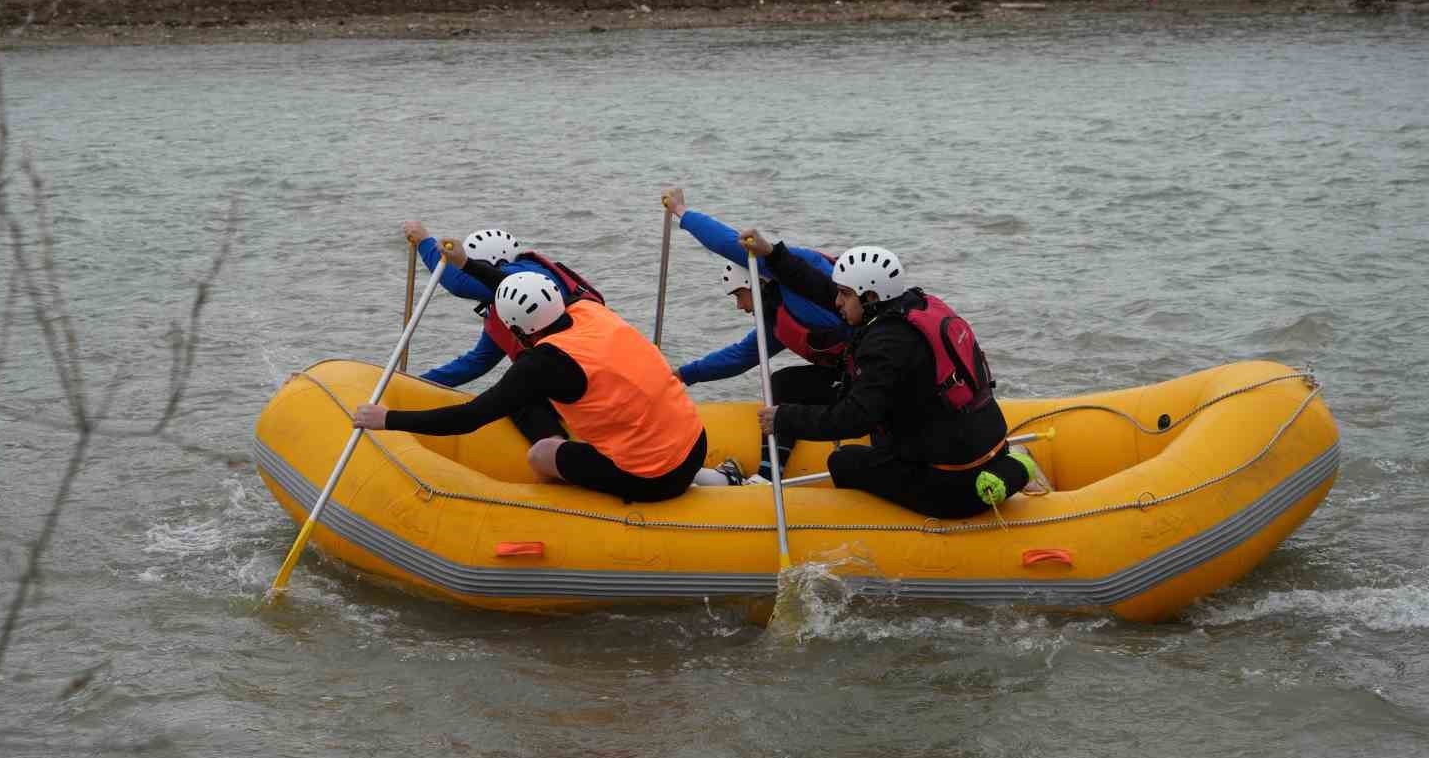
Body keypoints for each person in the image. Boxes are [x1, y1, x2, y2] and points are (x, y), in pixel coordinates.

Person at [737, 229, 1038, 519]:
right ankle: (1016, 463)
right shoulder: (914, 305)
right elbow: (821, 289)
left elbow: (854, 418)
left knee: (843, 461)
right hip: (985, 449)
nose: (837, 302)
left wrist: (784, 418)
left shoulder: (887, 345)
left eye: (844, 294)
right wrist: (772, 254)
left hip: (952, 486)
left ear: (868, 297)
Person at [353, 261, 707, 503]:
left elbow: (469, 417)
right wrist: (466, 263)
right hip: (695, 443)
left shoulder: (541, 364)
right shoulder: (588, 309)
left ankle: (559, 510)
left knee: (541, 453)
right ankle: (715, 479)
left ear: (518, 330)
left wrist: (386, 419)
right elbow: (512, 288)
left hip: (654, 477)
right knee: (550, 404)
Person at [660, 187, 852, 481]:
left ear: (756, 280)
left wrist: (681, 212)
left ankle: (768, 473)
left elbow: (730, 243)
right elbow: (740, 356)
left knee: (784, 383)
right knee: (785, 383)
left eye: (740, 296)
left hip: (876, 375)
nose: (740, 306)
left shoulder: (797, 278)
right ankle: (768, 473)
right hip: (851, 374)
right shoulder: (778, 318)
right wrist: (683, 374)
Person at [405, 220, 604, 444]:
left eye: (475, 268)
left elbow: (459, 283)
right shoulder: (508, 309)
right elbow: (476, 362)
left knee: (519, 396)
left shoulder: (527, 277)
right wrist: (412, 383)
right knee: (518, 390)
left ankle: (557, 452)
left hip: (585, 367)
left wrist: (425, 243)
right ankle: (557, 451)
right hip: (566, 371)